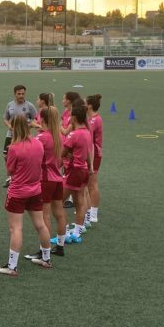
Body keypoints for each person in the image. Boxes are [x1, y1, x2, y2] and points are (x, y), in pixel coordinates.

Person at [0, 115, 52, 276]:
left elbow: (10, 171)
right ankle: (46, 258)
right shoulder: (39, 144)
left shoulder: (14, 148)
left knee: (16, 229)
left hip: (18, 192)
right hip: (35, 190)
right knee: (41, 225)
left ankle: (12, 266)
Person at [29, 106, 67, 258]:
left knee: (45, 215)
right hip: (58, 179)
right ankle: (60, 246)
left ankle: (44, 250)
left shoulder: (43, 137)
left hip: (46, 180)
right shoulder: (59, 136)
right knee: (59, 213)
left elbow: (30, 152)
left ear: (42, 119)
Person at [62, 105, 93, 242]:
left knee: (57, 201)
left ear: (74, 117)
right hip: (84, 170)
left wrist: (68, 155)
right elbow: (87, 153)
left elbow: (62, 153)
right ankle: (77, 232)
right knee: (79, 201)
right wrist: (90, 166)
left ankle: (65, 232)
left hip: (74, 171)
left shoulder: (74, 134)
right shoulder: (87, 132)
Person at [2, 85, 37, 188]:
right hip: (11, 135)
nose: (21, 96)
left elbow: (36, 118)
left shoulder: (29, 106)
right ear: (15, 94)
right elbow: (5, 118)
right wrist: (10, 126)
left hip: (24, 135)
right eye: (19, 94)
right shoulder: (10, 105)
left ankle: (22, 176)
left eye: (23, 93)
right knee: (6, 156)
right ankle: (9, 177)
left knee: (24, 156)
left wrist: (28, 126)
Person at [86, 94, 103, 226]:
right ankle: (87, 210)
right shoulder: (90, 118)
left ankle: (93, 214)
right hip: (89, 153)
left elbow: (90, 142)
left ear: (90, 105)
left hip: (94, 153)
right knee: (87, 183)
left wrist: (90, 162)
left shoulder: (94, 120)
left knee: (92, 183)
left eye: (85, 103)